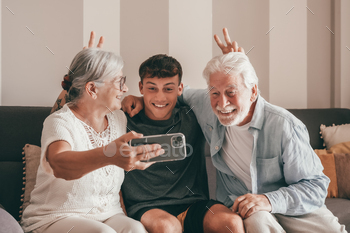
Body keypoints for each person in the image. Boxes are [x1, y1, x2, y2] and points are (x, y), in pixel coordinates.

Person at [122, 29, 347, 232]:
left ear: (252, 91)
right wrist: (138, 99)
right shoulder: (203, 105)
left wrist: (269, 200)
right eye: (215, 93)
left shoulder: (284, 125)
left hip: (295, 205)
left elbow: (316, 187)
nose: (222, 103)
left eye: (231, 92)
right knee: (256, 222)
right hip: (248, 208)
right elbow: (168, 93)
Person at [21, 48, 164, 233]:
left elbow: (164, 102)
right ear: (92, 89)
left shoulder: (118, 118)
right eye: (119, 82)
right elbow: (60, 164)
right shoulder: (59, 121)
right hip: (56, 217)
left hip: (109, 215)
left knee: (135, 229)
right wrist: (109, 155)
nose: (126, 89)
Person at [120, 54, 244, 233]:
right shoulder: (124, 121)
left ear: (180, 89)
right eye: (152, 88)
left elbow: (232, 105)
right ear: (141, 87)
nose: (160, 97)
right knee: (167, 227)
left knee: (231, 223)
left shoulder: (193, 117)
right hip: (146, 207)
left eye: (168, 89)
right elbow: (77, 111)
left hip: (194, 204)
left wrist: (238, 69)